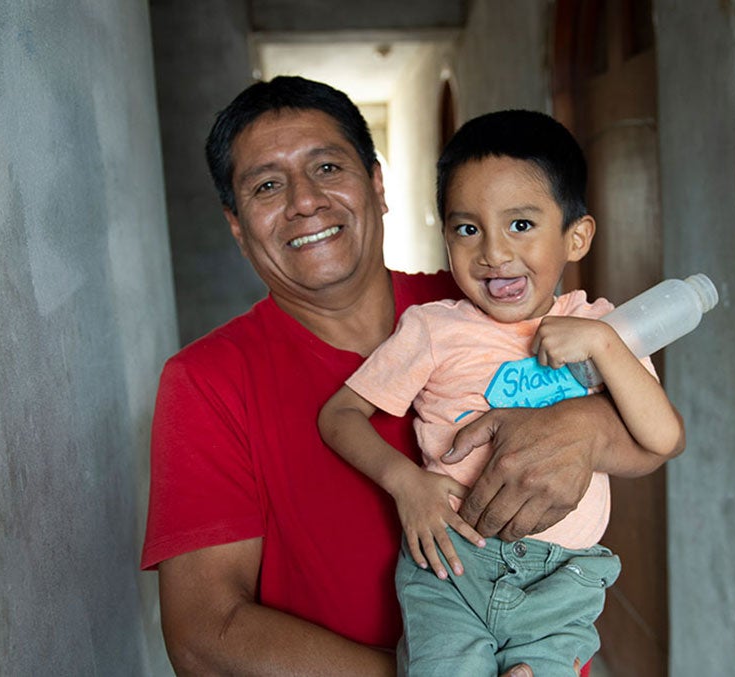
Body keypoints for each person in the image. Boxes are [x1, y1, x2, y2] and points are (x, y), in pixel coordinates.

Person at [141, 75, 671, 676]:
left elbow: (646, 435)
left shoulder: (483, 303)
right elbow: (203, 636)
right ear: (238, 225)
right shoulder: (207, 381)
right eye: (267, 185)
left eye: (327, 168)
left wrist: (583, 427)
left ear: (377, 184)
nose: (304, 201)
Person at [319, 109, 685, 675]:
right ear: (444, 238)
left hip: (564, 579)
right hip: (452, 566)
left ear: (577, 236)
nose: (492, 252)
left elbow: (663, 439)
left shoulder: (607, 328)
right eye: (468, 229)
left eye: (520, 225)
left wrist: (606, 345)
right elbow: (340, 414)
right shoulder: (433, 329)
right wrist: (406, 484)